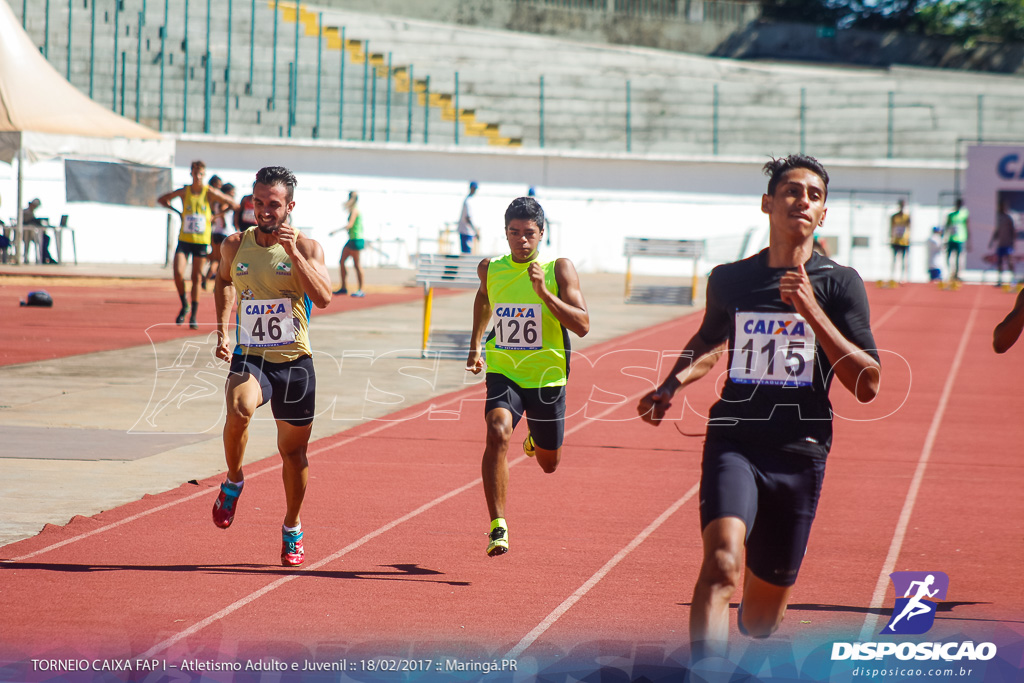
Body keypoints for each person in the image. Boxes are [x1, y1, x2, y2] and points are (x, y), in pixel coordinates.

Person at [636, 154, 881, 660]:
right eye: (792, 191)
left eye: (814, 195)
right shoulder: (730, 280)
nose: (802, 201)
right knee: (722, 565)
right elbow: (709, 343)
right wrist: (672, 382)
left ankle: (758, 606)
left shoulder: (840, 284)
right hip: (736, 439)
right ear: (768, 203)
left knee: (762, 620)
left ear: (823, 214)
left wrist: (812, 311)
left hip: (800, 450)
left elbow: (868, 384)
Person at [212, 166, 332, 567]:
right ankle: (233, 481)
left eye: (273, 204)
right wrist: (223, 331)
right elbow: (223, 281)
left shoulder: (308, 247)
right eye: (258, 202)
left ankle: (292, 528)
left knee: (293, 454)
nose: (264, 211)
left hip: (295, 363)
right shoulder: (233, 245)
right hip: (253, 356)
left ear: (290, 206)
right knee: (238, 408)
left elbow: (325, 297)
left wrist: (295, 253)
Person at [466, 196, 590, 557]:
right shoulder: (491, 268)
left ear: (542, 234)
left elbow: (582, 325)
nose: (522, 240)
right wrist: (475, 344)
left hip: (548, 377)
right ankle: (497, 525)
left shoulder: (558, 270)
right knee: (497, 431)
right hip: (504, 370)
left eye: (529, 234)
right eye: (514, 233)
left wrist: (544, 294)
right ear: (505, 233)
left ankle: (537, 439)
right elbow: (484, 299)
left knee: (549, 464)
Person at [158, 161, 238, 329]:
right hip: (184, 239)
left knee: (196, 277)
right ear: (191, 173)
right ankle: (184, 303)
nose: (198, 177)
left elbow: (233, 204)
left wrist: (215, 216)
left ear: (204, 175)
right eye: (195, 173)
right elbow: (162, 199)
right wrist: (178, 212)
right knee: (178, 273)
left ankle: (193, 314)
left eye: (201, 174)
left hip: (201, 241)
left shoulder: (208, 193)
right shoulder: (184, 191)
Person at [329, 191, 366, 297]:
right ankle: (344, 287)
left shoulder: (355, 210)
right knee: (342, 262)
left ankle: (361, 289)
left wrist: (336, 231)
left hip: (356, 240)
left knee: (357, 265)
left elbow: (350, 225)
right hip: (352, 240)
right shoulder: (352, 210)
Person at [204, 182, 237, 288]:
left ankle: (208, 279)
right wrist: (223, 221)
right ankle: (215, 282)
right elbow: (227, 209)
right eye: (232, 192)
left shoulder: (216, 202)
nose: (233, 194)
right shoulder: (224, 202)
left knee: (216, 260)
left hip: (216, 232)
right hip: (224, 233)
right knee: (221, 261)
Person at [989, 199, 1017, 287]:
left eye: (1002, 207)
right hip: (1000, 244)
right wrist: (992, 241)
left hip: (1008, 244)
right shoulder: (999, 218)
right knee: (1000, 262)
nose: (1000, 208)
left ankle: (1013, 280)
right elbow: (997, 230)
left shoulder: (1009, 217)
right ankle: (1000, 280)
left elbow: (1013, 231)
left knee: (1010, 262)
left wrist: (1013, 242)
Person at [22, 198, 57, 264]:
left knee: (46, 238)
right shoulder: (25, 212)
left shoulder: (31, 212)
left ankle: (45, 257)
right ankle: (46, 257)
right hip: (27, 234)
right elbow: (27, 222)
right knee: (43, 239)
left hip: (33, 233)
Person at [943, 198, 969, 283]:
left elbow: (968, 226)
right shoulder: (950, 215)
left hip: (960, 239)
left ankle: (957, 274)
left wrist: (969, 240)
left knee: (958, 257)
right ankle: (950, 272)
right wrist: (944, 238)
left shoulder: (964, 214)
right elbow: (947, 226)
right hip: (951, 238)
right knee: (948, 256)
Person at [889, 199, 911, 284]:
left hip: (904, 241)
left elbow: (909, 227)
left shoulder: (907, 217)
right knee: (894, 259)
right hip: (896, 240)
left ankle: (903, 277)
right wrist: (891, 237)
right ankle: (893, 276)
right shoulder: (894, 217)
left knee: (903, 259)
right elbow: (891, 227)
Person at [457, 181, 480, 254]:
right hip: (466, 231)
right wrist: (475, 230)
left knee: (467, 252)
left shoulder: (470, 200)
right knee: (467, 253)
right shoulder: (468, 201)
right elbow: (468, 218)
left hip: (468, 231)